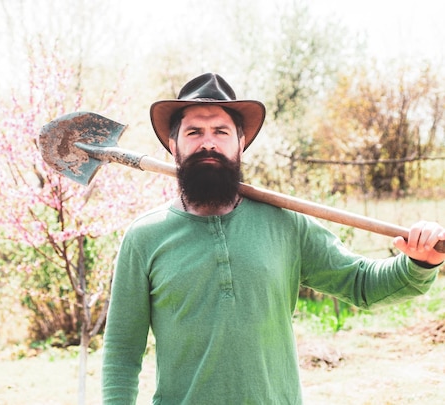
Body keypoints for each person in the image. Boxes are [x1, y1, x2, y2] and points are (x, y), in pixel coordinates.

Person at [101, 73, 445, 404]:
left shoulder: (285, 223)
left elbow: (361, 283)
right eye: (194, 132)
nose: (208, 142)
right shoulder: (144, 237)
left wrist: (417, 263)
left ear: (242, 143)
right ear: (173, 145)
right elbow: (121, 353)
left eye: (221, 131)